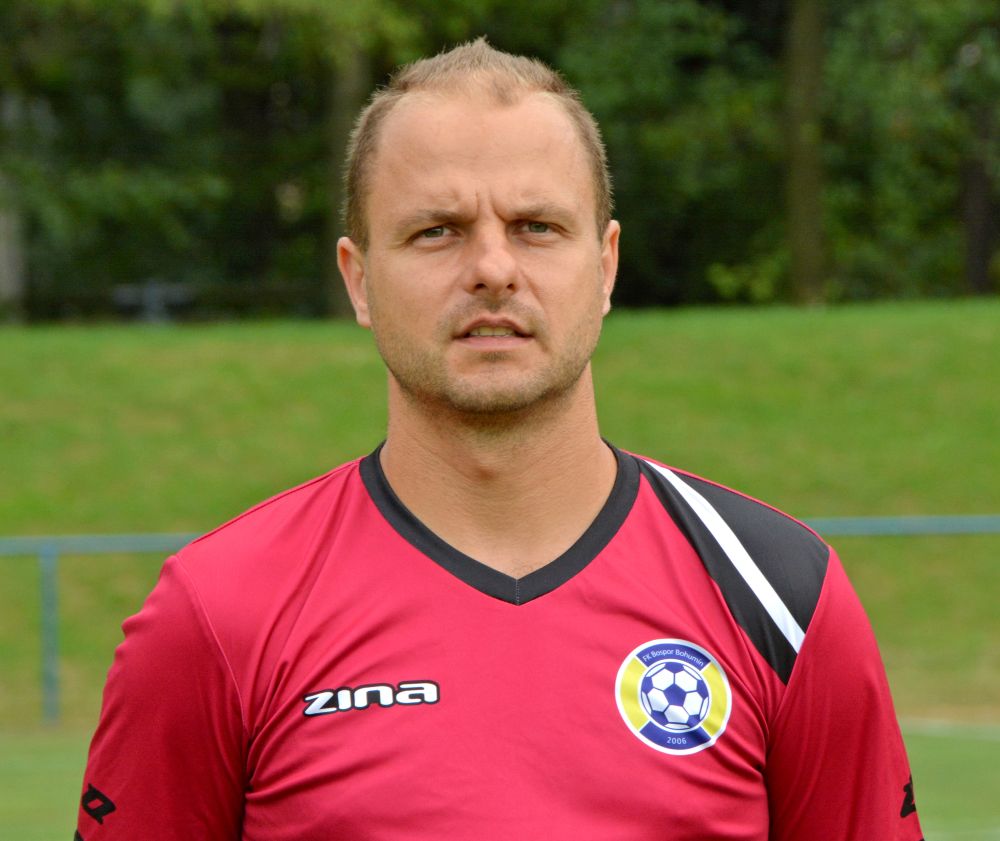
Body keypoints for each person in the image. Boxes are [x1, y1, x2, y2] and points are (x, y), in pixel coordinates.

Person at [76, 39, 924, 840]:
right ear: (358, 279)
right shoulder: (219, 613)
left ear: (606, 266)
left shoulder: (783, 597)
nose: (491, 268)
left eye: (536, 226)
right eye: (436, 230)